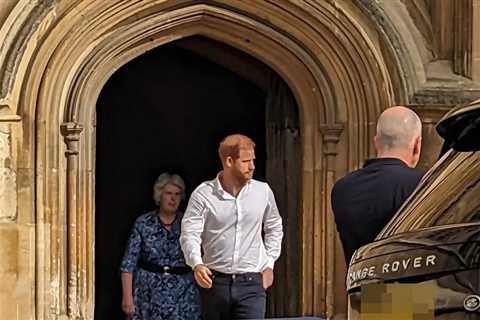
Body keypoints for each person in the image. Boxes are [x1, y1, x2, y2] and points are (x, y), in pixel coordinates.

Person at [180, 134, 283, 320]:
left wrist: (269, 263)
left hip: (251, 282)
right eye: (245, 161)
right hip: (215, 282)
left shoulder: (263, 191)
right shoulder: (203, 195)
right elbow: (190, 234)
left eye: (253, 160)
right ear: (229, 161)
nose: (252, 166)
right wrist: (197, 264)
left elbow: (274, 227)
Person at [332, 106, 424, 264]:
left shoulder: (342, 189)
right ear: (417, 144)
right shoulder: (424, 185)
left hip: (360, 286)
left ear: (376, 142)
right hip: (414, 288)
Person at [120, 173, 201, 320]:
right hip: (148, 295)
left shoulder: (189, 223)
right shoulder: (143, 223)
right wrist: (127, 298)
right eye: (168, 193)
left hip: (183, 295)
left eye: (177, 194)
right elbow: (128, 264)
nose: (173, 198)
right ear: (159, 195)